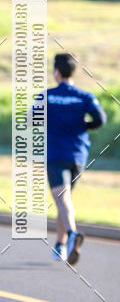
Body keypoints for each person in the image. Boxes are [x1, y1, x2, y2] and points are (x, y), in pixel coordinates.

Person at [46, 53, 106, 265]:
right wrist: (82, 125)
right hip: (78, 155)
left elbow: (30, 119)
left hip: (55, 155)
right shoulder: (85, 96)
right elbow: (100, 119)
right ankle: (60, 245)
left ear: (56, 72)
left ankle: (72, 235)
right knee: (65, 199)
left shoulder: (47, 96)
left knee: (62, 199)